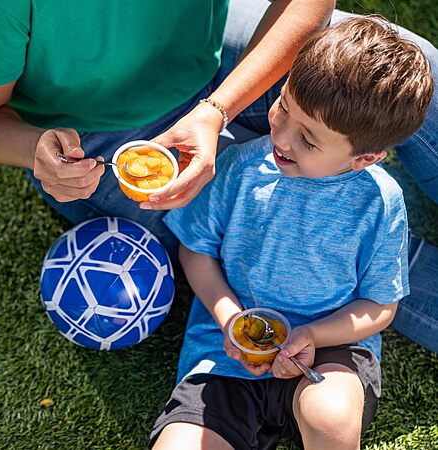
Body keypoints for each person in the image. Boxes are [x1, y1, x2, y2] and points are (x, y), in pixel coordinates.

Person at [0, 2, 436, 349]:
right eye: (284, 115)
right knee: (272, 226)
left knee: (413, 76)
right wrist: (35, 149)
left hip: (213, 50)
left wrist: (219, 108)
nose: (279, 136)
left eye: (305, 137)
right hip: (100, 128)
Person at [150, 16, 434, 450]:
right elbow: (196, 251)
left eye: (309, 140)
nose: (281, 137)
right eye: (283, 106)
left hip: (329, 355)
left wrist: (314, 336)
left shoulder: (380, 203)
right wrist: (231, 321)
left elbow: (380, 307)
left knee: (330, 417)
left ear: (364, 158)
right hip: (225, 357)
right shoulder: (239, 166)